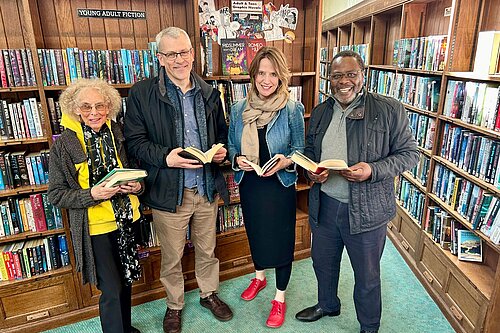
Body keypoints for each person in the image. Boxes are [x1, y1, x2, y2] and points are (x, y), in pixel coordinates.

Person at [295, 50, 419, 333]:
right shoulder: (322, 111)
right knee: (323, 264)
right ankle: (328, 304)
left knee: (367, 276)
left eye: (351, 74)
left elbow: (410, 154)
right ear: (330, 79)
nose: (343, 82)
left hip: (366, 211)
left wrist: (372, 170)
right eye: (337, 76)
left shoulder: (388, 109)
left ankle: (369, 327)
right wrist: (311, 171)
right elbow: (310, 152)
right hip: (324, 205)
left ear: (363, 75)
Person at [123, 27, 232, 333]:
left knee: (207, 250)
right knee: (171, 257)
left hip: (206, 187)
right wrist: (165, 157)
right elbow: (134, 142)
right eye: (171, 54)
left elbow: (221, 134)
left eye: (183, 52)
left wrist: (222, 151)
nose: (179, 59)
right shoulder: (142, 93)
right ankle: (174, 305)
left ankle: (209, 294)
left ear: (193, 54)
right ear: (160, 58)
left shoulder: (210, 92)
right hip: (169, 191)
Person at [48, 78, 143, 333]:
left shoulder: (118, 132)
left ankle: (124, 328)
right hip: (95, 227)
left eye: (100, 106)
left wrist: (137, 186)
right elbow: (56, 194)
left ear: (109, 107)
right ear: (75, 109)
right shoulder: (65, 144)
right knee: (111, 289)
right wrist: (92, 194)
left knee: (125, 281)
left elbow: (133, 171)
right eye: (86, 107)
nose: (94, 113)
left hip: (125, 219)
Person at [228, 46, 305, 328]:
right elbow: (232, 145)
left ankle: (279, 298)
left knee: (282, 241)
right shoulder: (238, 109)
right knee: (256, 234)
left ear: (281, 77)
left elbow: (299, 148)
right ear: (253, 75)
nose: (266, 80)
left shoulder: (292, 109)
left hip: (279, 186)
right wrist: (237, 158)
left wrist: (286, 161)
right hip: (251, 185)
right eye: (261, 72)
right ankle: (259, 278)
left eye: (273, 74)